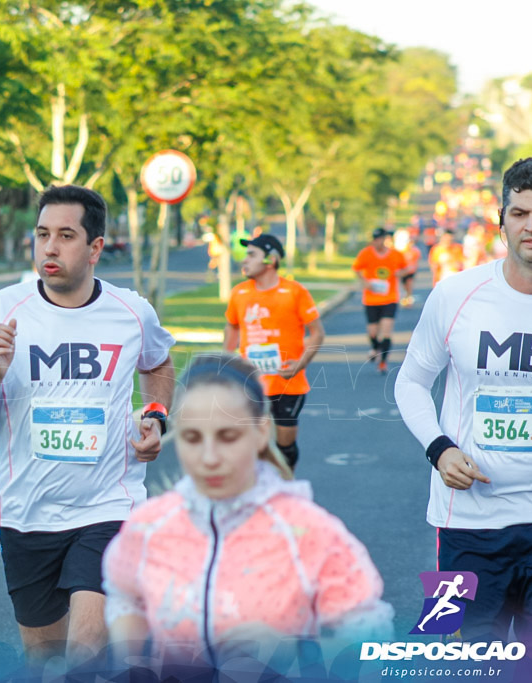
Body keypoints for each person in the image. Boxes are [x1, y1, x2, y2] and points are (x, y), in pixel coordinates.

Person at [0, 185, 176, 669]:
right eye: (42, 234)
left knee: (86, 648)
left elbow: (158, 364)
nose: (49, 247)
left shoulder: (132, 311)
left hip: (110, 505)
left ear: (95, 248)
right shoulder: (1, 313)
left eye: (66, 235)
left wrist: (155, 416)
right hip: (27, 512)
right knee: (44, 659)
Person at [103, 353, 393, 666]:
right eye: (192, 438)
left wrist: (291, 648)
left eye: (228, 436)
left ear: (260, 431)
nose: (209, 457)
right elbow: (124, 595)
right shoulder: (149, 526)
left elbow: (372, 644)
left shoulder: (310, 532)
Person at [395, 157, 532, 661]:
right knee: (456, 663)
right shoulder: (456, 294)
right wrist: (440, 450)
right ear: (500, 222)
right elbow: (412, 382)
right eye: (521, 212)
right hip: (465, 523)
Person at [224, 234, 325, 470]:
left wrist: (300, 363)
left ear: (270, 259)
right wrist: (226, 361)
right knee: (252, 446)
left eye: (251, 255)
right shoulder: (239, 293)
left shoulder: (294, 292)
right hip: (251, 384)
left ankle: (285, 488)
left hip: (288, 384)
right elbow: (232, 325)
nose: (244, 260)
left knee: (284, 448)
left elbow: (317, 333)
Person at [353, 227, 409, 373]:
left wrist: (399, 273)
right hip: (371, 299)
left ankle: (383, 362)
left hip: (390, 298)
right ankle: (376, 348)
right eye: (375, 239)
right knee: (372, 331)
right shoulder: (366, 253)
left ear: (385, 239)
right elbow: (356, 268)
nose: (378, 242)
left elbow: (406, 268)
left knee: (386, 330)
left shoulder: (395, 254)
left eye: (380, 239)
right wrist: (365, 282)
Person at [393, 228, 422, 307]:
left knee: (409, 284)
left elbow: (417, 259)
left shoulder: (414, 250)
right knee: (404, 285)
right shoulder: (400, 251)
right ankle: (405, 296)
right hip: (403, 270)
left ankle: (408, 298)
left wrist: (414, 267)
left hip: (411, 271)